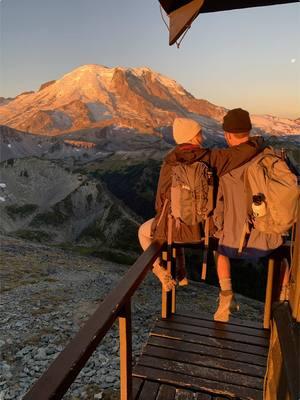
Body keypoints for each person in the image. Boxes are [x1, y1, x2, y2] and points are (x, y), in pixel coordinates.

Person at [138, 116, 264, 291]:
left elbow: (161, 200)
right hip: (205, 229)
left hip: (174, 228)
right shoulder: (211, 158)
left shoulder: (169, 162)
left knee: (143, 233)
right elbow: (241, 153)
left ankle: (160, 270)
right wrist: (257, 141)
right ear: (192, 137)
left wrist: (163, 221)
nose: (202, 137)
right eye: (199, 134)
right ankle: (181, 271)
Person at [213, 108, 283, 322]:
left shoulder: (226, 164)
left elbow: (220, 204)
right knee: (282, 258)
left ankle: (226, 297)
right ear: (249, 130)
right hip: (269, 232)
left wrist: (217, 225)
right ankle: (281, 302)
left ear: (228, 135)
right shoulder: (268, 154)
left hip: (235, 236)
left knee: (220, 252)